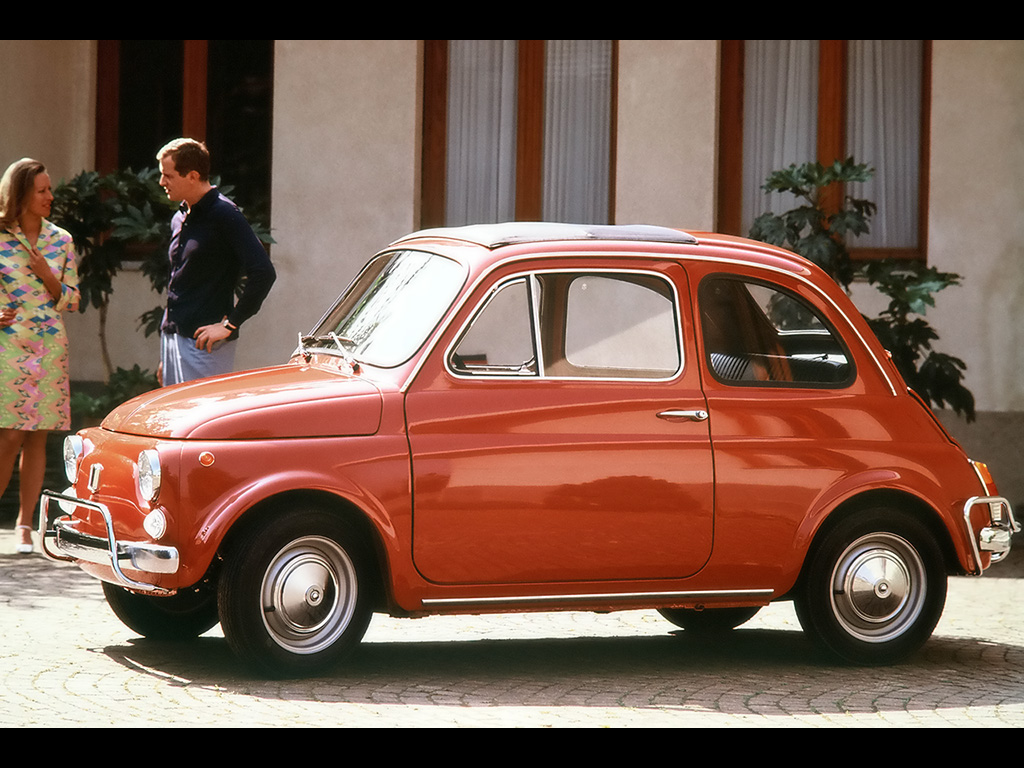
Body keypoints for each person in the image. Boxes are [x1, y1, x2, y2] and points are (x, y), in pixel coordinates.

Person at [0, 158, 80, 554]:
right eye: (43, 190)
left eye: (50, 189)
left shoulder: (61, 240)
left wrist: (49, 275)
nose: (51, 196)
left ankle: (25, 525)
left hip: (49, 348)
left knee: (37, 439)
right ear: (21, 195)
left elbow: (73, 300)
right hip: (8, 347)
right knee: (9, 436)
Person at [156, 138, 275, 386]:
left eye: (168, 175)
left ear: (192, 176)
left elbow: (263, 272)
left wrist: (229, 324)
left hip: (205, 346)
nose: (162, 182)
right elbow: (181, 282)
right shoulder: (180, 217)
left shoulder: (224, 214)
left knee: (200, 421)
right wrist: (168, 355)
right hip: (174, 340)